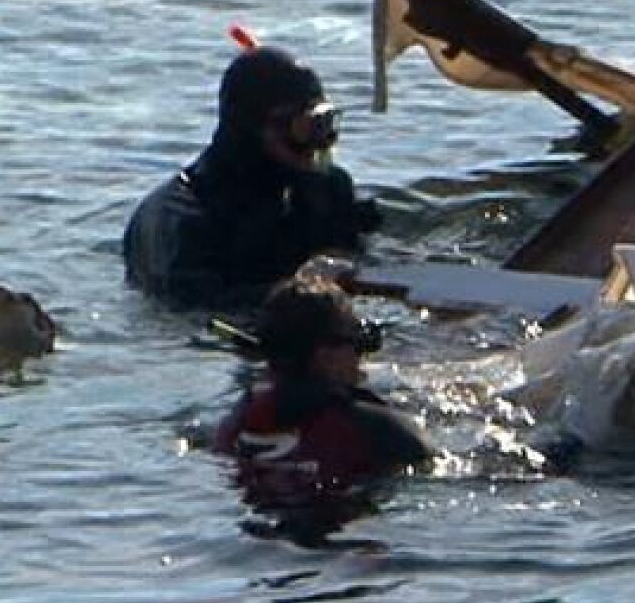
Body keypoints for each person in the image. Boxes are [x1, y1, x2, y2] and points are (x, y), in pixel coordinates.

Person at [123, 42, 381, 308]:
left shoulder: (325, 189)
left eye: (326, 123)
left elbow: (363, 257)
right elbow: (191, 308)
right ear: (251, 129)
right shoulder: (181, 218)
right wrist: (308, 288)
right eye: (307, 128)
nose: (322, 141)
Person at [212, 276, 432, 505]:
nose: (361, 359)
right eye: (357, 344)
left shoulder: (237, 421)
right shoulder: (379, 428)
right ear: (326, 356)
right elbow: (428, 465)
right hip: (340, 515)